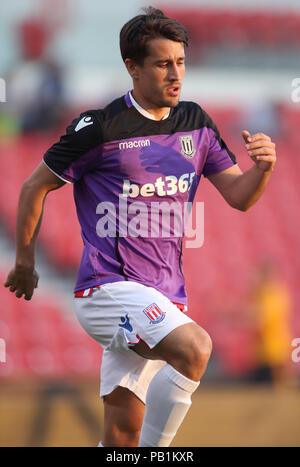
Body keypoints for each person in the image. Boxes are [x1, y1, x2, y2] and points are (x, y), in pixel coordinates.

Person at [4, 7, 277, 447]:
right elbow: (34, 186)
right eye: (163, 63)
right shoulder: (101, 127)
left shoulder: (196, 123)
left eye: (181, 62)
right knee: (196, 348)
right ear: (133, 67)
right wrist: (24, 263)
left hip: (163, 295)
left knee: (121, 435)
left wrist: (262, 168)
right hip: (106, 290)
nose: (176, 73)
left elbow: (239, 197)